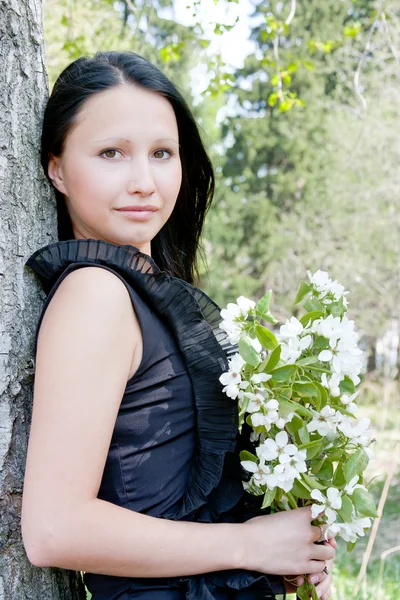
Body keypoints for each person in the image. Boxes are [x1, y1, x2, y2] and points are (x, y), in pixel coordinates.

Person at [21, 51, 335, 600]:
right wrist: (249, 546)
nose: (144, 181)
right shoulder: (96, 295)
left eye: (162, 153)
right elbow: (53, 530)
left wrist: (283, 553)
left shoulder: (151, 296)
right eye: (111, 153)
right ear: (57, 168)